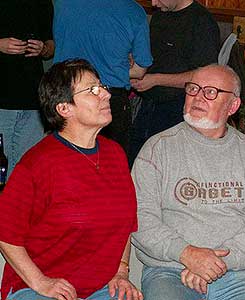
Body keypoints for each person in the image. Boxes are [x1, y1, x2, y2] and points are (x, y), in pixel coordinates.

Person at [131, 64, 245, 300]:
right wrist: (187, 254)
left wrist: (217, 263)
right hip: (170, 270)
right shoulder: (157, 149)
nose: (198, 97)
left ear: (233, 105)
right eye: (193, 89)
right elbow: (139, 218)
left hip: (236, 272)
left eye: (210, 92)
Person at [0, 59, 143, 300]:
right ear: (64, 108)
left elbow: (125, 223)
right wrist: (41, 282)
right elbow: (5, 230)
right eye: (92, 90)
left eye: (103, 87)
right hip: (39, 287)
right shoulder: (39, 163)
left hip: (99, 287)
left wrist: (121, 271)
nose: (106, 95)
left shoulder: (115, 155)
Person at [53, 0, 153, 168]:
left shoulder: (63, 3)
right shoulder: (133, 10)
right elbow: (140, 70)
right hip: (109, 98)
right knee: (111, 168)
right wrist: (116, 67)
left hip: (66, 95)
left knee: (63, 163)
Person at [130, 0, 220, 160]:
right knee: (138, 160)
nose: (153, 3)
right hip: (149, 106)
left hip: (179, 109)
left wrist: (156, 79)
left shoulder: (202, 22)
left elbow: (204, 76)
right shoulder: (160, 15)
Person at [0, 0, 54, 180]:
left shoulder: (43, 3)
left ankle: (16, 207)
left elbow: (50, 45)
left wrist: (43, 48)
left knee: (27, 166)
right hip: (3, 96)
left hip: (33, 96)